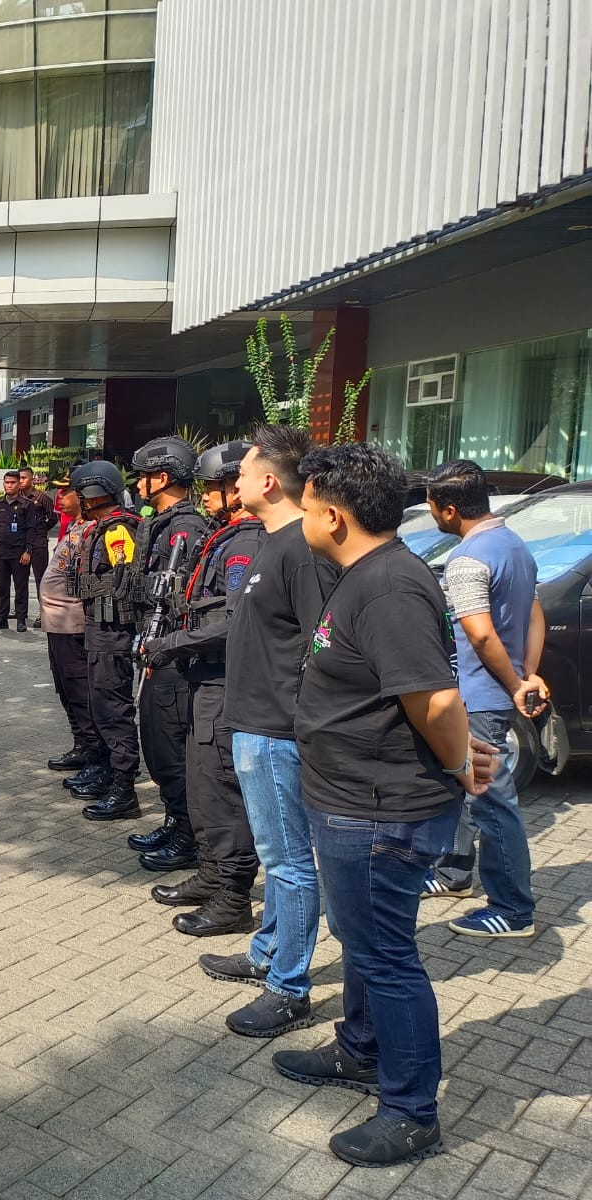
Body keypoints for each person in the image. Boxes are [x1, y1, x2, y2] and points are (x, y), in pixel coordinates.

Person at [273, 441, 490, 1169]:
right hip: (350, 799)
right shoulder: (362, 573)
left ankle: (409, 1111)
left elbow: (434, 698)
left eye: (304, 507)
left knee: (386, 957)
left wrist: (462, 763)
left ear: (332, 516)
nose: (299, 517)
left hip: (376, 810)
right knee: (366, 944)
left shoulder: (390, 586)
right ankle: (360, 1050)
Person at [199, 425, 335, 1037]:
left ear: (270, 481)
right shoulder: (274, 544)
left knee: (287, 862)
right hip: (254, 722)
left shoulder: (302, 551)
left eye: (244, 470)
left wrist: (298, 718)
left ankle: (290, 988)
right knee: (279, 855)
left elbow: (324, 643)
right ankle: (267, 953)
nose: (236, 481)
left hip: (278, 729)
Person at [141, 441, 264, 931]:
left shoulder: (249, 543)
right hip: (203, 675)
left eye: (216, 486)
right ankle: (212, 873)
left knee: (223, 788)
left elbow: (233, 620)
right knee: (203, 783)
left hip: (223, 676)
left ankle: (233, 897)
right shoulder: (228, 535)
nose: (209, 495)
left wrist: (172, 644)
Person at [421, 460, 542, 938]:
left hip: (479, 693)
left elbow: (479, 632)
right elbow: (534, 613)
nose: (430, 514)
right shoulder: (514, 545)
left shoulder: (468, 558)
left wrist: (513, 682)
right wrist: (526, 675)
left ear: (449, 510)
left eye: (431, 506)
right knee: (466, 787)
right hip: (498, 689)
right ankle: (454, 872)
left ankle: (513, 908)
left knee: (491, 799)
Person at [124, 436, 213, 869]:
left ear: (162, 477)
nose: (139, 483)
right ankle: (174, 820)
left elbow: (181, 595)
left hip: (174, 652)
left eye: (143, 475)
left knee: (170, 749)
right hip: (155, 644)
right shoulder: (159, 521)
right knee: (157, 746)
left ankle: (188, 834)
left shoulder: (186, 527)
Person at [64, 461, 142, 816]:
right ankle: (108, 772)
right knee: (100, 707)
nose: (73, 498)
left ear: (93, 494)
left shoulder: (117, 531)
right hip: (99, 631)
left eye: (78, 492)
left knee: (113, 710)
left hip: (112, 634)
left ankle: (124, 789)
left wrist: (88, 588)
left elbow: (124, 582)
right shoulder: (102, 528)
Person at [40, 473, 100, 773]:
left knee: (80, 692)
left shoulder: (91, 530)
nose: (59, 497)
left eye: (67, 492)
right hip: (57, 625)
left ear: (84, 495)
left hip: (73, 625)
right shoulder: (75, 527)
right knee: (65, 690)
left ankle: (94, 753)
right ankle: (81, 745)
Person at [0, 470, 38, 632]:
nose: (9, 485)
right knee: (2, 587)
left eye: (13, 482)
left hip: (19, 552)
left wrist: (28, 551)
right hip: (2, 552)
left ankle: (21, 619)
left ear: (18, 484)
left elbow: (31, 528)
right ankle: (1, 618)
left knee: (21, 587)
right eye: (7, 482)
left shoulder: (26, 504)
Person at [19, 465, 58, 594]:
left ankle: (44, 611)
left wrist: (41, 529)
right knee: (20, 580)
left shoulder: (41, 498)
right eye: (19, 478)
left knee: (40, 579)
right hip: (20, 544)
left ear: (32, 479)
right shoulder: (16, 499)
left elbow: (53, 518)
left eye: (24, 478)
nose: (21, 481)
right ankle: (21, 612)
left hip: (38, 544)